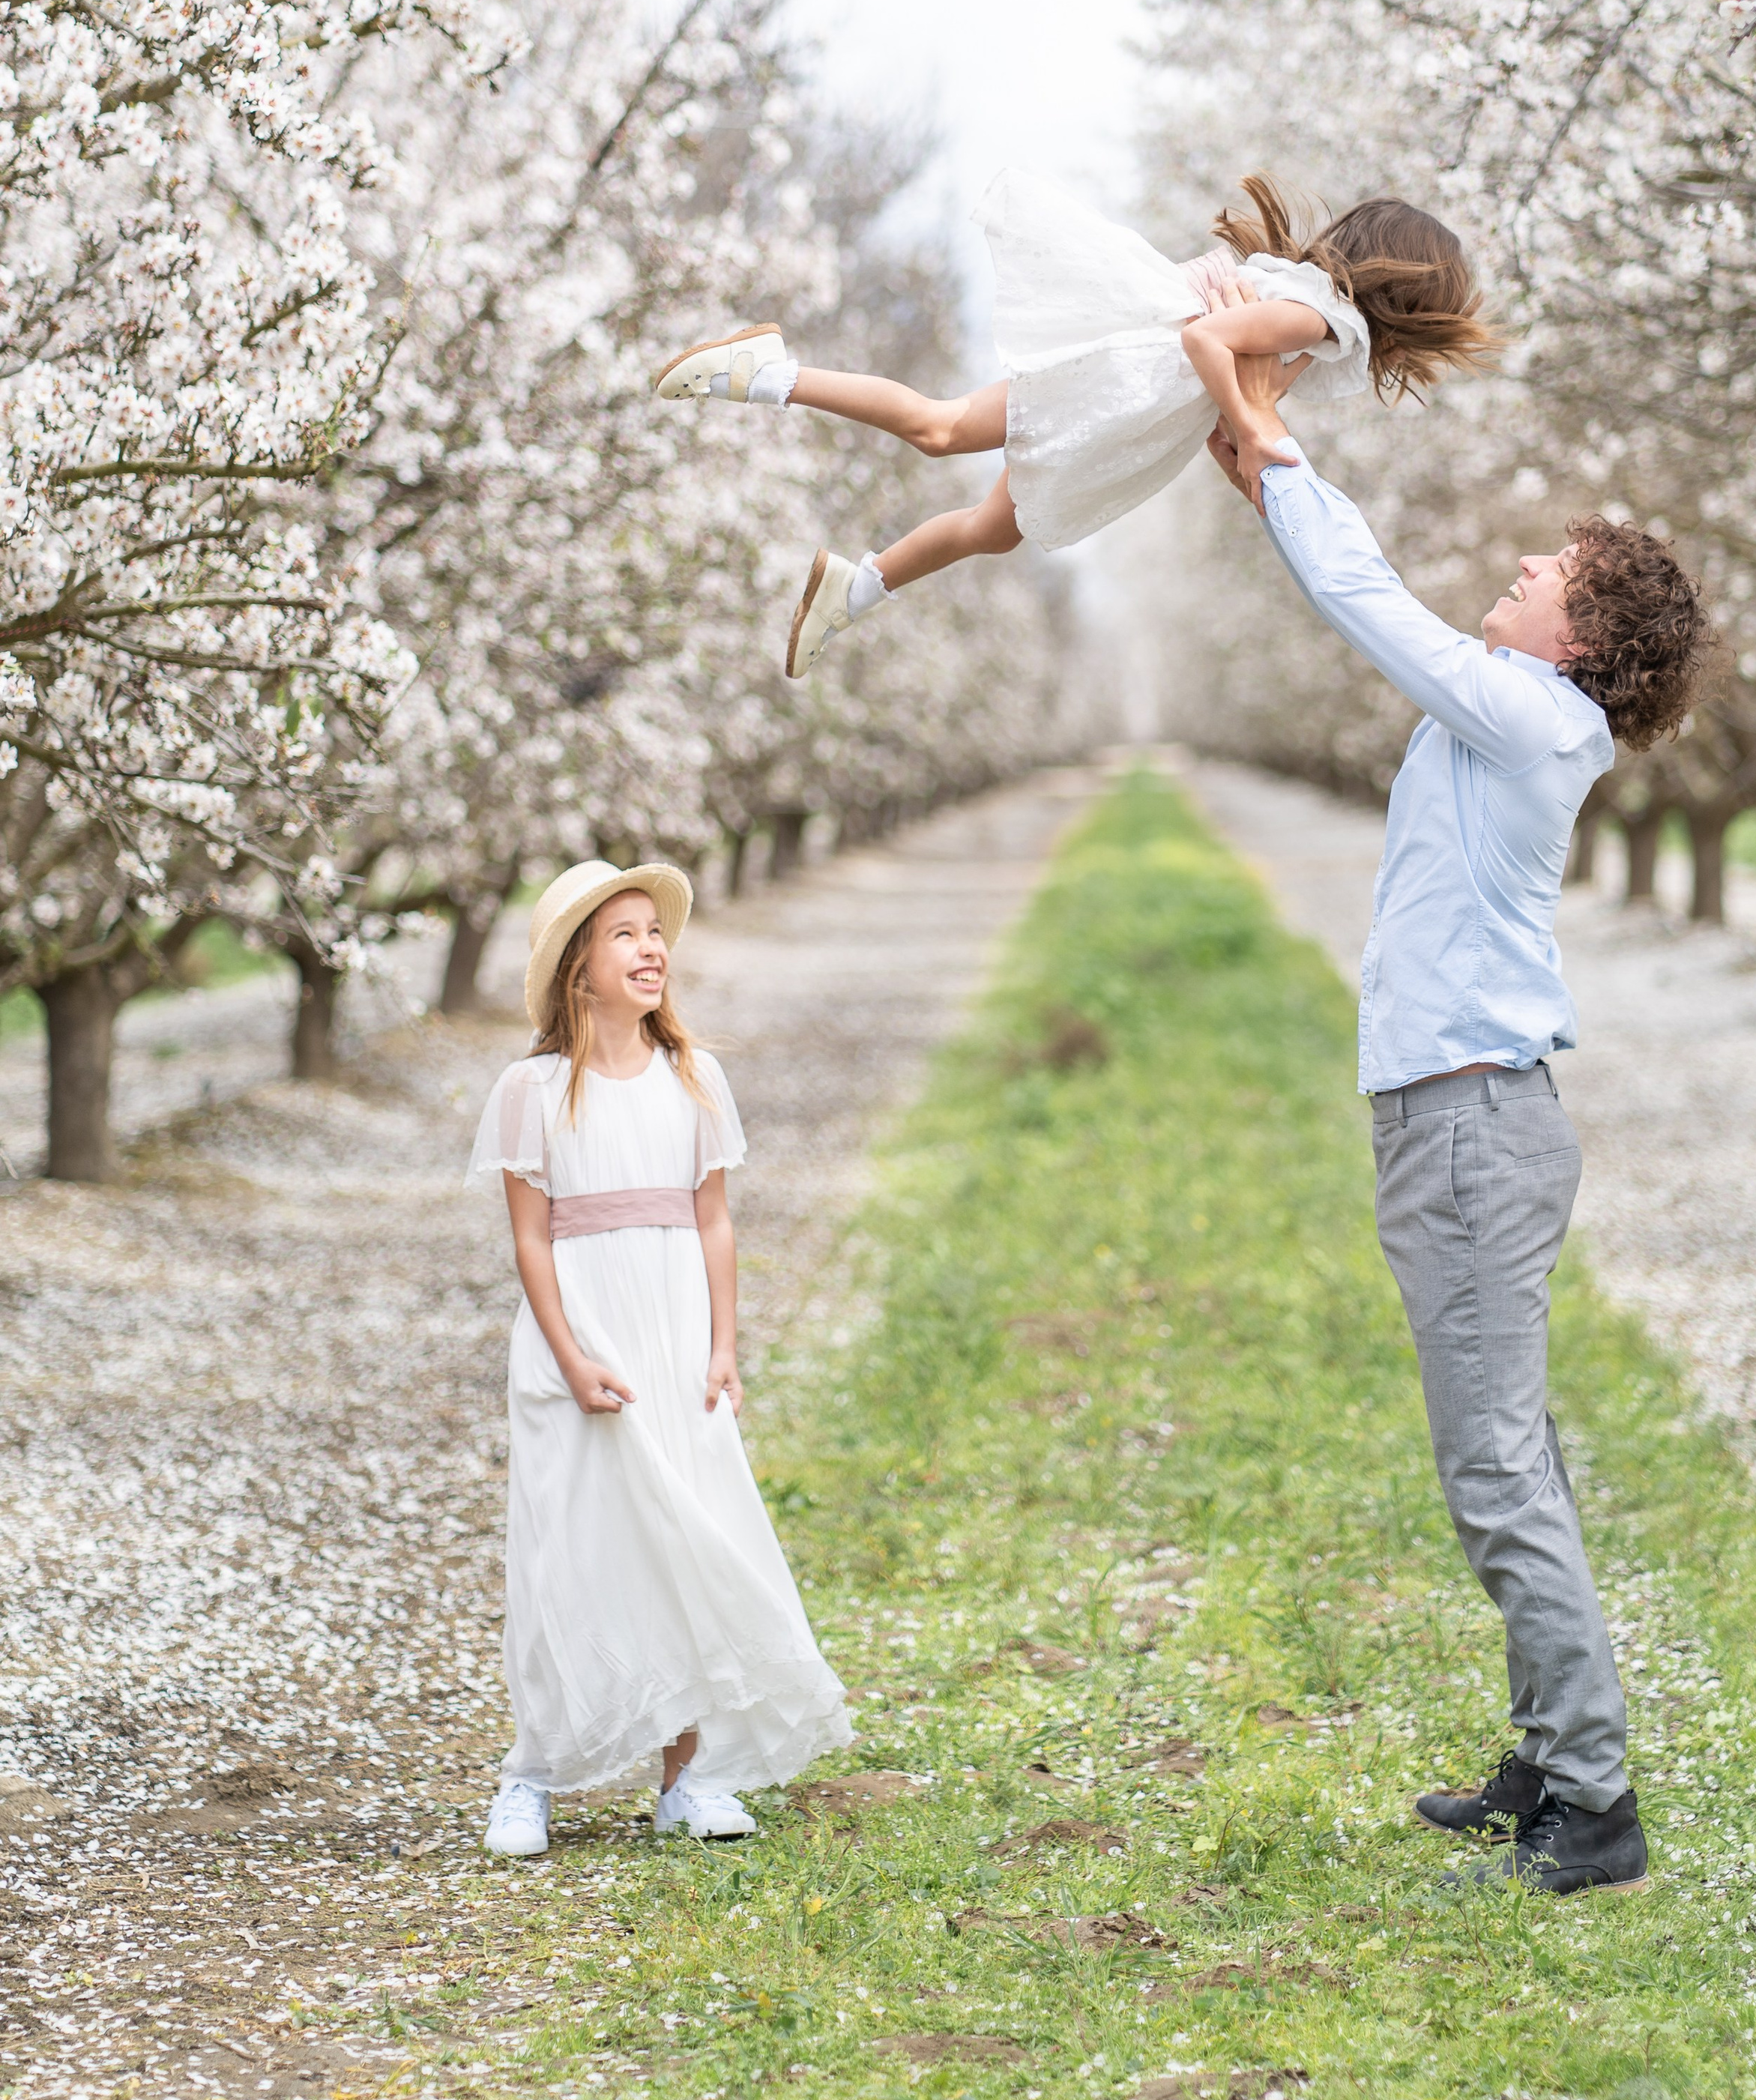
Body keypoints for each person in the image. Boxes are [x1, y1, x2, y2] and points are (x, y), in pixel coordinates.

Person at [1206, 323, 1712, 1896]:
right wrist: (1246, 434)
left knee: (1493, 1470)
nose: (1521, 560)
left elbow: (1364, 597)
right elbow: (1330, 565)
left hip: (1474, 1128)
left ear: (1582, 635)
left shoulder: (1536, 714)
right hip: (1456, 1121)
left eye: (1553, 565)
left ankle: (1595, 1806)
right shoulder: (1511, 707)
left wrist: (1272, 433)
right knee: (1515, 1456)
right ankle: (1552, 1752)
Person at [653, 170, 1496, 678]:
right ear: (1404, 302)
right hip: (1113, 388)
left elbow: (1227, 384)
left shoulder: (1308, 311)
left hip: (1129, 401)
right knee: (940, 429)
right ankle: (766, 373)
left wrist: (1246, 450)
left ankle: (857, 585)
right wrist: (1253, 426)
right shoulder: (1316, 318)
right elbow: (1207, 342)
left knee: (994, 527)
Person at [467, 858, 851, 1859]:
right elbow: (532, 1237)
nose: (651, 948)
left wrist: (722, 1344)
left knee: (685, 1540)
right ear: (578, 966)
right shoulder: (534, 1090)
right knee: (570, 1545)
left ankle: (688, 1776)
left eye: (654, 931)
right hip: (580, 1341)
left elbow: (713, 1218)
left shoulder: (694, 1078)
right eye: (624, 933)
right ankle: (531, 1772)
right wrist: (570, 1355)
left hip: (673, 1337)